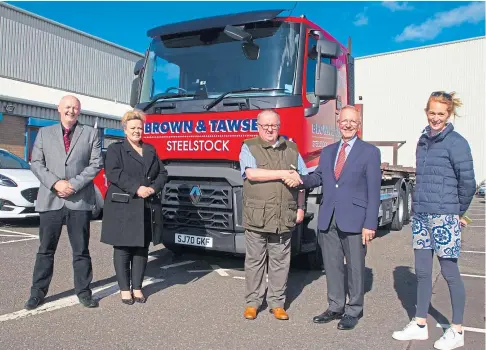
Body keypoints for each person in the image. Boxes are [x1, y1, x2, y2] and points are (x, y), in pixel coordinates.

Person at [285, 105, 382, 330]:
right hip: (329, 217)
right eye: (344, 121)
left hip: (355, 220)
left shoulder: (369, 152)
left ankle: (353, 309)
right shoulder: (328, 151)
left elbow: (374, 191)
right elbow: (317, 177)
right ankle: (335, 306)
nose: (347, 125)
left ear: (358, 125)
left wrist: (370, 223)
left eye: (352, 122)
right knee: (332, 265)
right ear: (338, 124)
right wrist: (298, 179)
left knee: (355, 267)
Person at [392, 91, 476, 350]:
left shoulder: (456, 142)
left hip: (444, 216)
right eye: (432, 112)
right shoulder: (422, 141)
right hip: (422, 215)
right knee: (423, 273)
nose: (435, 118)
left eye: (441, 113)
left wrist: (456, 212)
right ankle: (419, 324)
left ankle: (457, 330)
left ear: (448, 115)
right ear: (426, 112)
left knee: (450, 272)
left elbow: (468, 184)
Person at [25, 95, 103, 310]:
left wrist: (73, 185)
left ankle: (84, 292)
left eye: (75, 108)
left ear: (79, 111)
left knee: (81, 251)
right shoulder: (44, 133)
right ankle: (37, 293)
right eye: (67, 107)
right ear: (59, 108)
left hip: (78, 201)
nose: (71, 110)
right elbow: (36, 163)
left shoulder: (90, 134)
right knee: (45, 250)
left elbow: (96, 164)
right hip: (51, 200)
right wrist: (56, 184)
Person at [239, 109, 307, 321]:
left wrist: (300, 207)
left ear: (279, 126)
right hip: (257, 216)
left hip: (282, 216)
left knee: (280, 262)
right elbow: (251, 173)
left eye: (274, 125)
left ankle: (277, 303)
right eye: (265, 125)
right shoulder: (249, 147)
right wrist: (283, 173)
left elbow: (302, 181)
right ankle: (253, 302)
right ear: (258, 127)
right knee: (255, 261)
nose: (269, 129)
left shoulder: (292, 149)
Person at [100, 110, 168, 305]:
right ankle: (124, 289)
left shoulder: (150, 149)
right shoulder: (116, 150)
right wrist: (137, 188)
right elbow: (113, 173)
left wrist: (152, 188)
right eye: (133, 128)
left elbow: (162, 174)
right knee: (123, 249)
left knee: (141, 250)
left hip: (146, 206)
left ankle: (137, 287)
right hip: (124, 205)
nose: (137, 131)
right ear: (125, 130)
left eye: (140, 127)